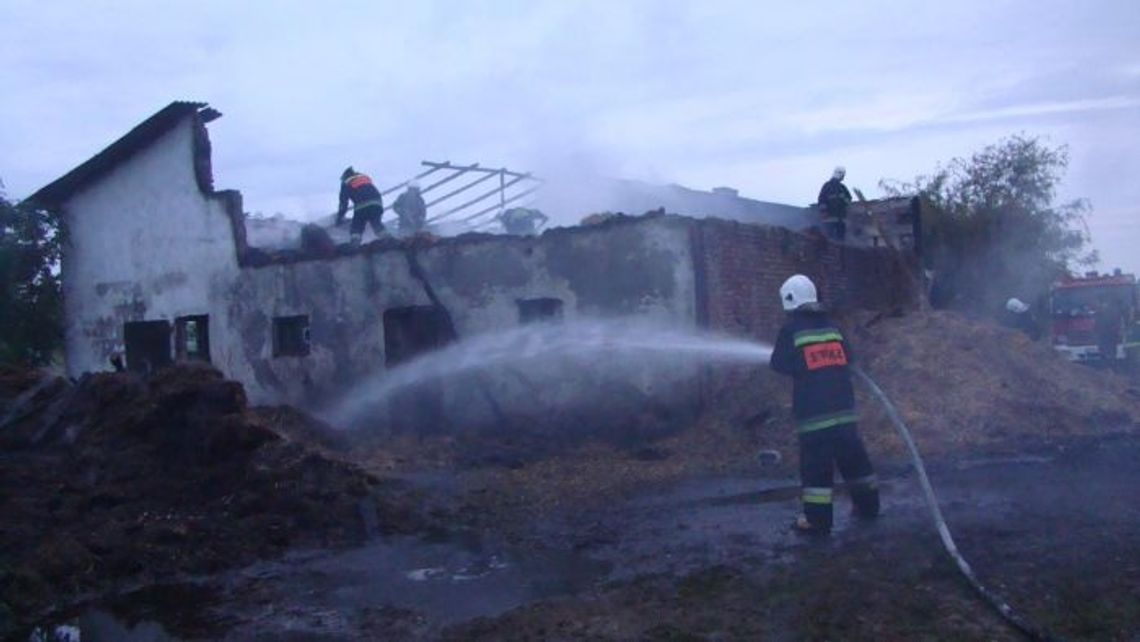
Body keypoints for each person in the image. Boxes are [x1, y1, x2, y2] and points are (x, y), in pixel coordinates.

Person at [769, 274, 880, 535]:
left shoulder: (791, 328)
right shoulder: (832, 327)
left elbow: (778, 364)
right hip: (844, 410)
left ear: (789, 299)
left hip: (815, 414)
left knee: (816, 468)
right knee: (854, 460)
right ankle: (868, 507)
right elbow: (848, 360)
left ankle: (817, 521)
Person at [336, 166, 386, 246]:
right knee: (377, 224)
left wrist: (339, 218)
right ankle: (389, 240)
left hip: (362, 204)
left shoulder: (346, 182)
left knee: (356, 227)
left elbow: (343, 203)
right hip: (377, 203)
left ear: (345, 176)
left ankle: (354, 246)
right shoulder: (363, 177)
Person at [817, 166, 852, 242]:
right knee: (829, 239)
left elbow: (849, 201)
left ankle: (839, 253)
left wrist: (843, 198)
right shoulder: (827, 186)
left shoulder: (842, 188)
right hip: (830, 219)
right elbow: (821, 200)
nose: (843, 177)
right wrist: (824, 212)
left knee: (840, 241)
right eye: (843, 175)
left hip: (841, 219)